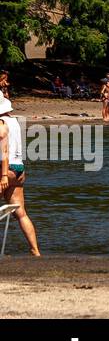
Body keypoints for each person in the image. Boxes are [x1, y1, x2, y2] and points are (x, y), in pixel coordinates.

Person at [0, 95, 39, 254]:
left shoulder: (0, 124)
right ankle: (35, 250)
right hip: (19, 170)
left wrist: (3, 175)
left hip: (5, 169)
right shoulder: (14, 121)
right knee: (21, 213)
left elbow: (4, 151)